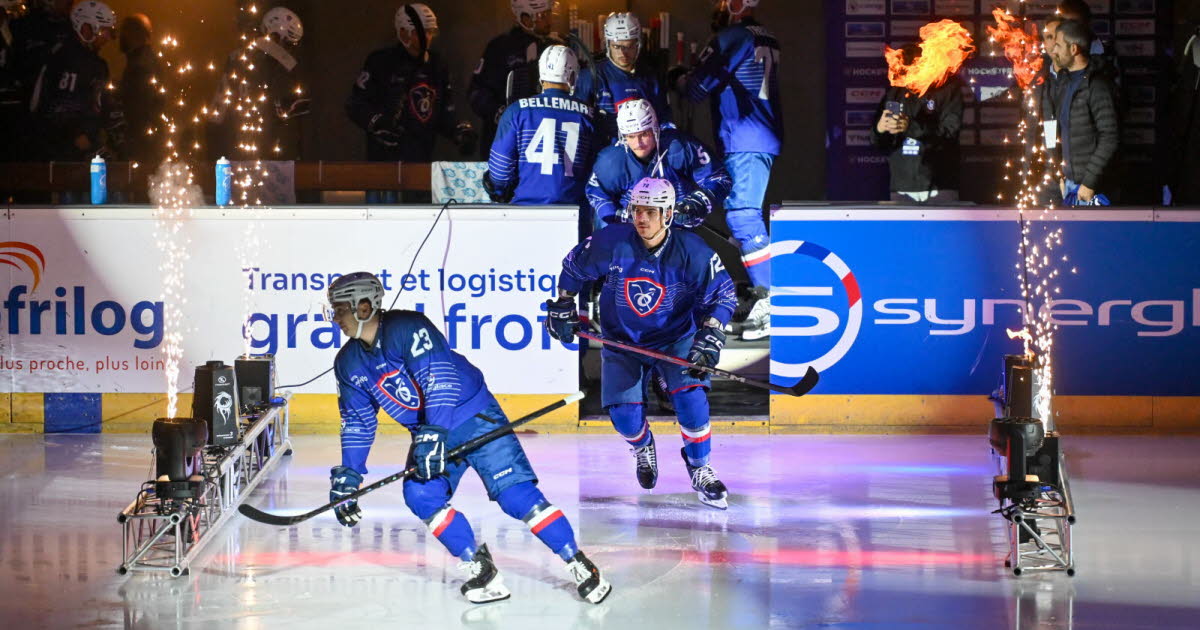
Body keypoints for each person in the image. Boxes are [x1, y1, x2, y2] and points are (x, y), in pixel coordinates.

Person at [325, 272, 611, 605]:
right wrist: (350, 475)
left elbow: (439, 379)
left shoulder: (408, 327)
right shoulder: (347, 363)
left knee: (516, 496)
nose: (335, 317)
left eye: (339, 308)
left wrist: (433, 435)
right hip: (430, 433)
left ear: (363, 306)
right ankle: (479, 567)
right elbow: (357, 422)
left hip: (474, 417)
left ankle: (578, 563)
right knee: (421, 495)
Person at [545, 177, 738, 510]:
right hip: (622, 340)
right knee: (623, 417)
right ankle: (641, 446)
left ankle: (700, 466)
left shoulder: (693, 251)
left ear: (668, 214)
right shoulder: (612, 241)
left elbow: (723, 294)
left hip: (675, 338)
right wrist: (564, 303)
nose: (642, 218)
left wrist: (712, 334)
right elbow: (574, 266)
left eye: (651, 211)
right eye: (637, 209)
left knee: (692, 401)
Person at [677, 0, 781, 340]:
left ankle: (773, 299)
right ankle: (764, 292)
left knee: (743, 218)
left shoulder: (732, 36)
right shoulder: (764, 34)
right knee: (739, 218)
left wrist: (678, 77)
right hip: (754, 135)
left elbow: (696, 88)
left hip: (745, 137)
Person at [345, 3, 475, 203]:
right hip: (384, 163)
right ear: (403, 33)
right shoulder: (381, 61)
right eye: (420, 33)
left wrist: (458, 131)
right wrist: (376, 122)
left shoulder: (436, 65)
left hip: (421, 163)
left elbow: (442, 111)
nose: (427, 38)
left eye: (430, 32)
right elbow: (355, 103)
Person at [484, 45, 597, 216]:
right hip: (573, 211)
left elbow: (500, 171)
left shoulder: (517, 111)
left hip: (525, 209)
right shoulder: (588, 115)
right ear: (573, 75)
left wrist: (499, 191)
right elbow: (596, 170)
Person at [586, 98, 729, 231]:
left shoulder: (680, 147)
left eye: (644, 134)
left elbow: (720, 178)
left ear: (655, 129)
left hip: (677, 231)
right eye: (631, 136)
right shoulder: (612, 160)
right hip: (632, 233)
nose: (638, 143)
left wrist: (699, 202)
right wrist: (617, 215)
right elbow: (596, 194)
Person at [869, 44, 966, 205]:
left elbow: (949, 133)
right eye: (906, 66)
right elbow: (879, 142)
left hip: (940, 187)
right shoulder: (895, 92)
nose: (909, 71)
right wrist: (880, 130)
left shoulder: (948, 90)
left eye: (916, 66)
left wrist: (910, 126)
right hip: (902, 188)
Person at [27, 0, 123, 163]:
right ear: (86, 29)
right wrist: (82, 139)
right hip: (63, 153)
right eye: (103, 30)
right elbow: (59, 109)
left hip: (86, 148)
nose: (107, 37)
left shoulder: (98, 65)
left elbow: (103, 102)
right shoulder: (66, 58)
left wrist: (118, 131)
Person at [210, 6, 309, 161]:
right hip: (267, 150)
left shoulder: (236, 57)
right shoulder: (284, 65)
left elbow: (217, 112)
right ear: (278, 36)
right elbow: (290, 109)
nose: (290, 49)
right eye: (288, 43)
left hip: (236, 146)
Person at [468, 0, 559, 158]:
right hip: (505, 141)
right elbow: (476, 92)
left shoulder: (556, 48)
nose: (549, 20)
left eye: (549, 14)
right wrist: (501, 114)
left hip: (543, 141)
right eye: (543, 16)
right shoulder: (500, 47)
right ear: (525, 18)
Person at [574, 12, 671, 147]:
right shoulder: (591, 76)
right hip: (604, 155)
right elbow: (577, 124)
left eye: (629, 46)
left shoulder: (651, 78)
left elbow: (663, 120)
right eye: (617, 46)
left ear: (638, 44)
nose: (623, 53)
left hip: (642, 153)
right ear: (608, 44)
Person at [1049, 19, 1119, 205]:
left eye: (1057, 45)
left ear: (1074, 49)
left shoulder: (1097, 86)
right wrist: (1060, 175)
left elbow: (1110, 137)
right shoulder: (1063, 82)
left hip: (1092, 189)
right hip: (1070, 186)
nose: (1053, 50)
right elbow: (1055, 129)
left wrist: (1089, 183)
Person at [117, 13, 163, 168]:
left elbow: (139, 110)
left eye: (124, 31)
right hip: (144, 143)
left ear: (136, 34)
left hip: (141, 147)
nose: (120, 36)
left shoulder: (141, 66)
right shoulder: (140, 62)